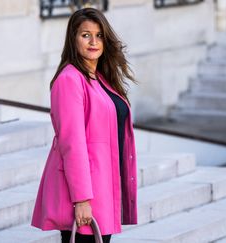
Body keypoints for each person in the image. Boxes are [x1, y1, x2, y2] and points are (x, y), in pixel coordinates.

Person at [31, 7, 138, 243]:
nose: (93, 41)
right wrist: (81, 200)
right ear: (73, 39)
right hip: (85, 194)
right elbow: (72, 144)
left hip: (103, 188)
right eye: (85, 35)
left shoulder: (99, 78)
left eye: (99, 35)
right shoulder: (70, 80)